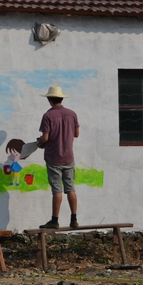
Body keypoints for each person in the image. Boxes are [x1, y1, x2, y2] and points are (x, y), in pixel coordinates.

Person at [37, 86, 80, 229]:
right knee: (71, 188)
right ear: (62, 98)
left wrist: (40, 142)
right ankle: (74, 219)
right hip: (68, 157)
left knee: (57, 190)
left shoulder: (48, 116)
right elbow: (76, 134)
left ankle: (55, 220)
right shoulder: (72, 114)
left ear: (49, 99)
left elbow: (45, 138)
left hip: (53, 158)